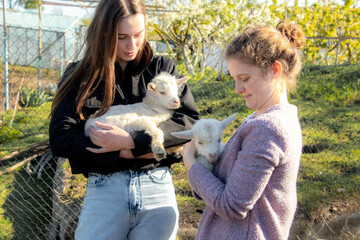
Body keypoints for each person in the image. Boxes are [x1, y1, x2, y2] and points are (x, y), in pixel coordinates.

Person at [49, 0, 199, 239]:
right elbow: (61, 138)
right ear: (104, 33)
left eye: (138, 34)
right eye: (121, 37)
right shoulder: (81, 76)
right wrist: (118, 153)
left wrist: (132, 142)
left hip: (156, 187)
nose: (132, 45)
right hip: (105, 190)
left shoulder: (161, 68)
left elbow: (189, 121)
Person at [181, 20, 305, 240]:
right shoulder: (267, 119)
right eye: (235, 79)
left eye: (244, 79)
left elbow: (231, 206)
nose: (237, 89)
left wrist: (191, 163)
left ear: (274, 70)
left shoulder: (268, 128)